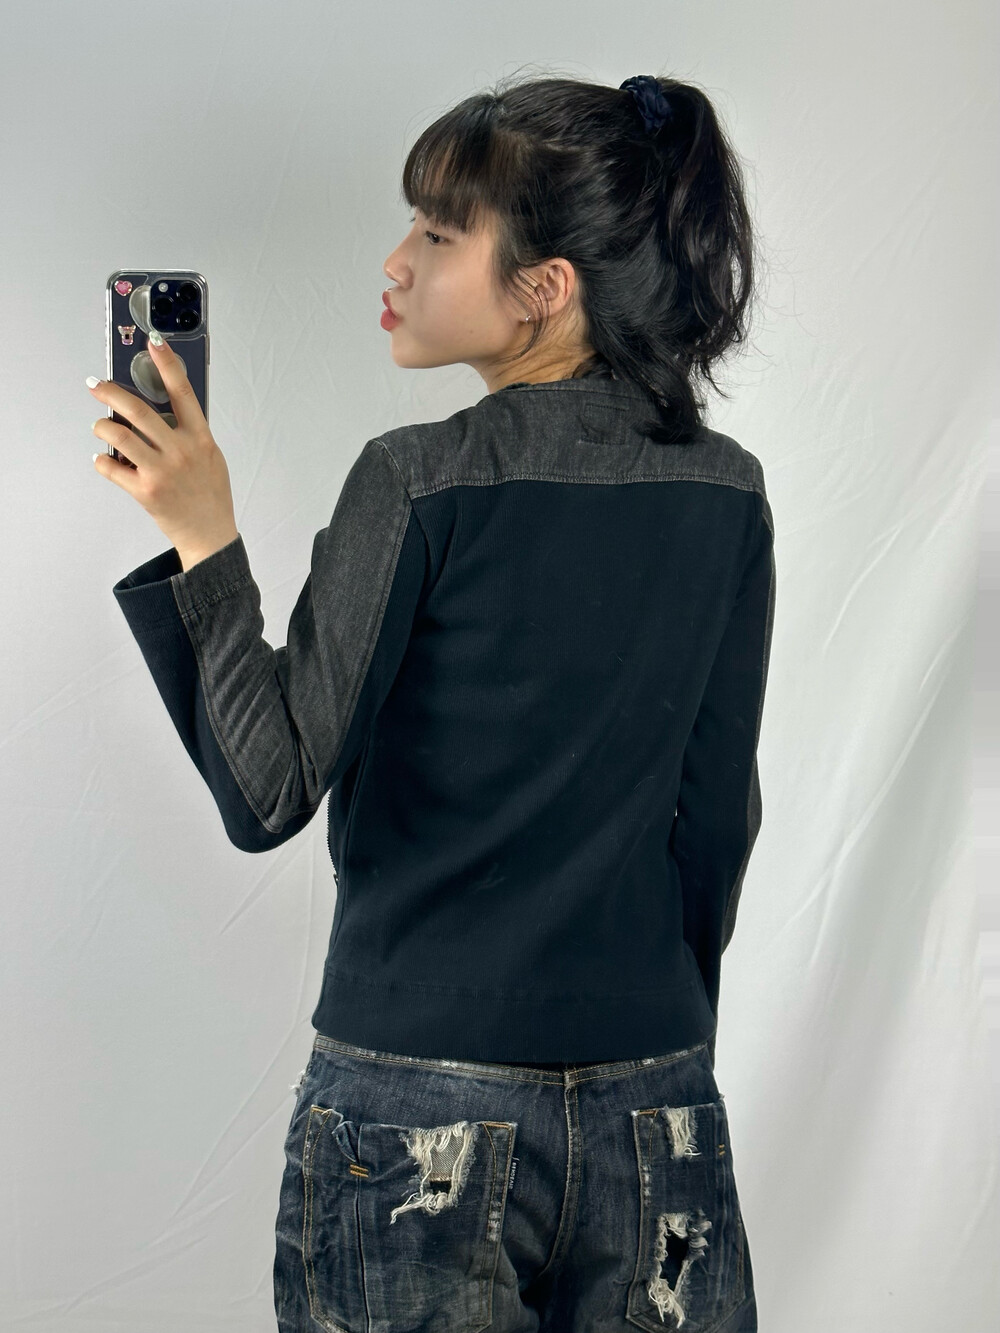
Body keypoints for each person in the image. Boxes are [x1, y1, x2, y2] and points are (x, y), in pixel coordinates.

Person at [104, 69, 773, 1333]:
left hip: (416, 1113)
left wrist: (203, 537)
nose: (397, 261)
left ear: (544, 287)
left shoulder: (417, 480)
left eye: (438, 232)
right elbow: (715, 826)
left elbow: (266, 793)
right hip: (656, 1097)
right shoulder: (727, 491)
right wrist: (648, 1032)